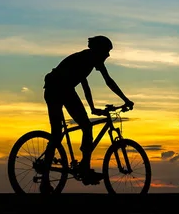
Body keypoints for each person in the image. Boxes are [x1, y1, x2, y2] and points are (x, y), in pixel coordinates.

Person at [40, 35, 134, 193]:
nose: (108, 55)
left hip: (65, 89)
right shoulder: (86, 58)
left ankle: (84, 168)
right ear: (99, 50)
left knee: (83, 128)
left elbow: (97, 82)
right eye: (107, 51)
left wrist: (96, 106)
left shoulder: (92, 59)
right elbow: (96, 83)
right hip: (56, 89)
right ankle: (50, 179)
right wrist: (122, 100)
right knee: (60, 134)